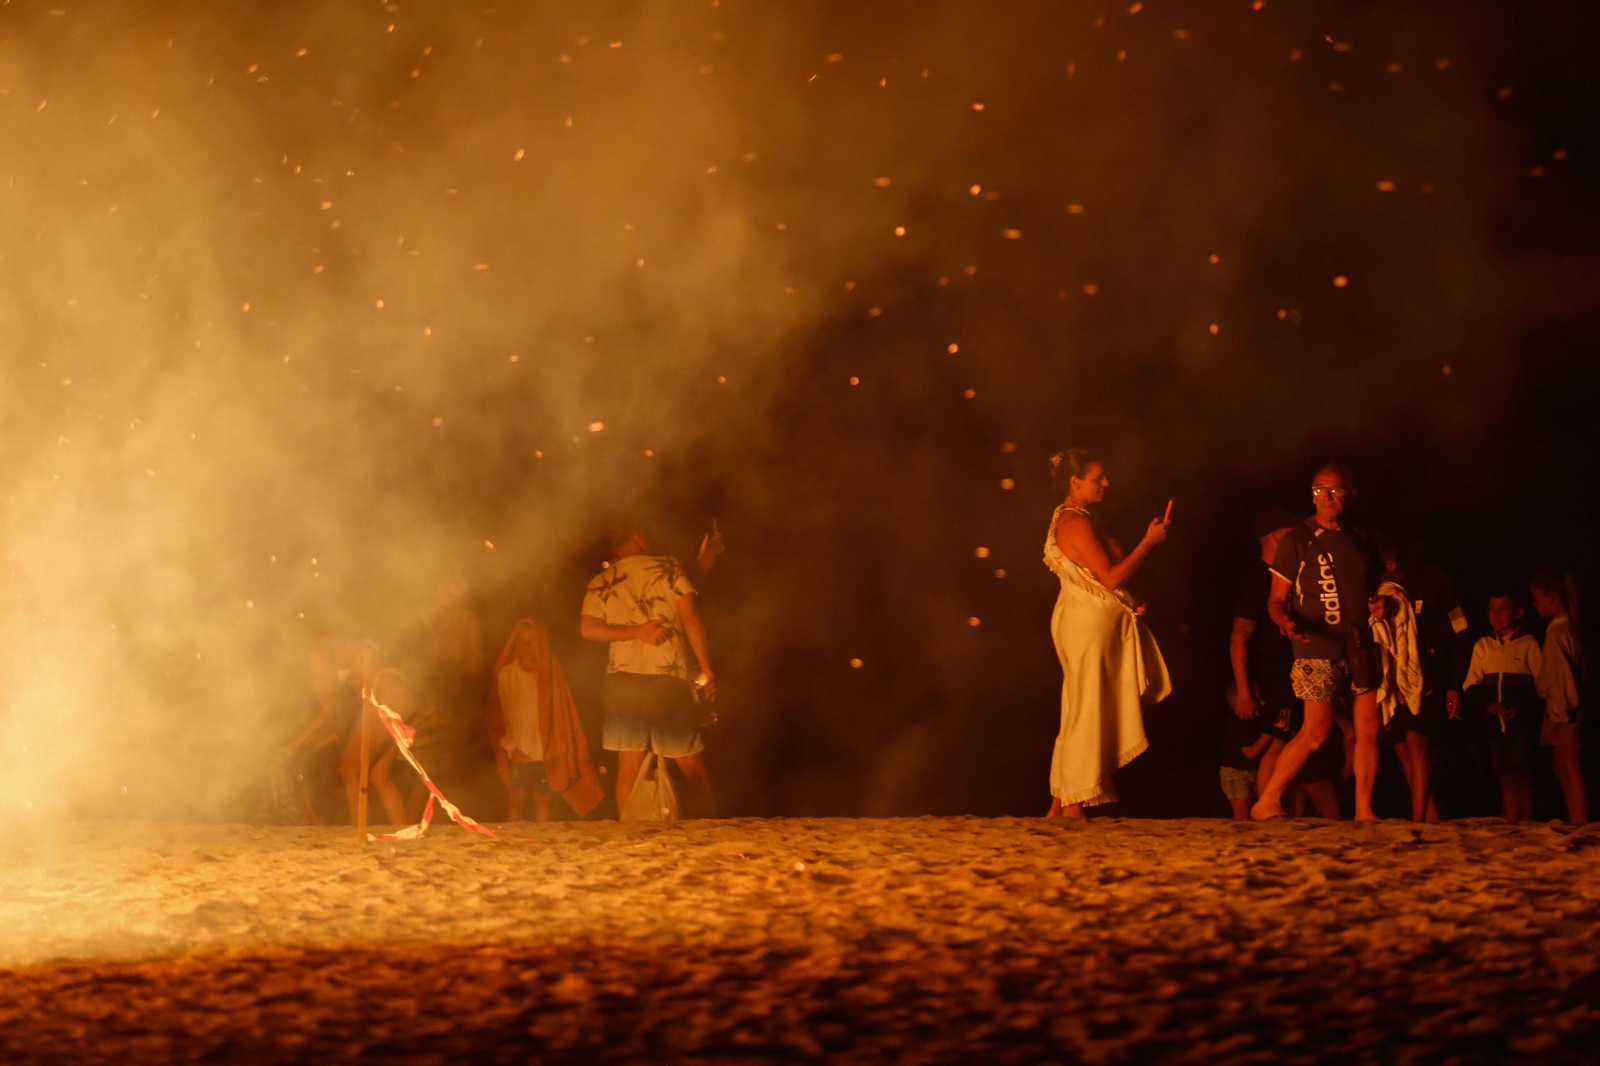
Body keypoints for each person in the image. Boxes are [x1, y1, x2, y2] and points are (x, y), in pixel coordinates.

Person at [1041, 448, 1172, 818]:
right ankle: (1074, 806)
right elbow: (1110, 577)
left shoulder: (1074, 517)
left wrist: (1128, 601)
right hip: (1085, 625)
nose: (1106, 483)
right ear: (1075, 482)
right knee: (1087, 708)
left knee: (1076, 707)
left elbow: (1104, 577)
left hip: (1081, 619)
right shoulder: (1075, 523)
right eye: (1098, 478)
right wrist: (1149, 542)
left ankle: (1059, 802)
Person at [1253, 463, 1383, 821]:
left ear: (1349, 494)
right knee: (1316, 732)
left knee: (1369, 727)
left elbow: (1375, 589)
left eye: (1335, 490)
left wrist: (1382, 604)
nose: (1326, 497)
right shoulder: (1297, 540)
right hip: (1315, 647)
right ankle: (1267, 801)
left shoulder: (1360, 541)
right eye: (1318, 490)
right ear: (1311, 494)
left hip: (1359, 644)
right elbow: (1276, 599)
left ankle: (1364, 809)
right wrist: (1285, 622)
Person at [580, 522, 717, 818]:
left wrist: (635, 633)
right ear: (639, 536)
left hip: (623, 681)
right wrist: (706, 666)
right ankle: (709, 823)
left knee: (628, 763)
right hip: (666, 679)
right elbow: (690, 616)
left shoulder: (603, 580)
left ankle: (628, 831)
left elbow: (588, 629)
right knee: (690, 761)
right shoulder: (669, 568)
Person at [1231, 505, 1341, 819]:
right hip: (1276, 672)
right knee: (1279, 740)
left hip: (1297, 667)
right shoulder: (1258, 579)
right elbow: (1238, 638)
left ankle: (1277, 807)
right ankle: (1266, 806)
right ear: (1278, 536)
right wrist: (1244, 690)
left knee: (1297, 738)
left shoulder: (1288, 574)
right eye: (1292, 531)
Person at [486, 619, 604, 821]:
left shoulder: (549, 676)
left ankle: (542, 845)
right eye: (521, 641)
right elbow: (498, 718)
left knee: (543, 800)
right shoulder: (506, 676)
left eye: (532, 641)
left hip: (544, 753)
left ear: (541, 644)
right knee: (517, 799)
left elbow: (561, 715)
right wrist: (512, 748)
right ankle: (511, 845)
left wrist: (557, 748)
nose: (526, 647)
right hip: (518, 752)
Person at [1462, 589, 1543, 822]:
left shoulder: (1528, 643)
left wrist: (1521, 707)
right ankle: (1512, 822)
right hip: (1494, 724)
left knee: (1522, 773)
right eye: (1491, 609)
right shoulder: (1484, 645)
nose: (1495, 615)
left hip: (1521, 723)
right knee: (1504, 774)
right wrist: (1488, 705)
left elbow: (1542, 684)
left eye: (1503, 609)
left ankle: (1528, 823)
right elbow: (1470, 683)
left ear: (1518, 612)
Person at [1531, 569, 1587, 825]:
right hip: (1564, 710)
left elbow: (1561, 681)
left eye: (1537, 598)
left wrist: (1558, 715)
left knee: (1570, 768)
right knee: (1561, 766)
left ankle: (1580, 822)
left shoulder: (1556, 634)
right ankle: (1577, 821)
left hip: (1563, 712)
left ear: (1551, 599)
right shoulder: (1567, 628)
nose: (1535, 604)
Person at [1220, 682, 1274, 819]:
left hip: (1252, 772)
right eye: (1256, 698)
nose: (1261, 702)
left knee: (1254, 814)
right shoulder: (1239, 723)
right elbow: (1250, 753)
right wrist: (1272, 732)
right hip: (1235, 774)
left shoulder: (1254, 720)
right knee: (1242, 815)